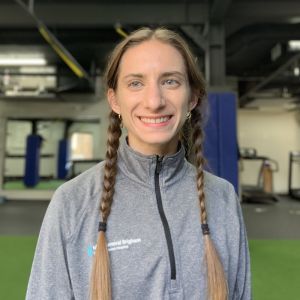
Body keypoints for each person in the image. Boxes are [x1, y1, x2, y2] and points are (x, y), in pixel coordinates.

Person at [26, 27, 251, 300]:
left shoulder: (223, 199)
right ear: (115, 100)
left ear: (192, 97)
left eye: (170, 81)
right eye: (135, 83)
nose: (154, 101)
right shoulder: (72, 203)